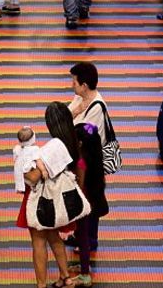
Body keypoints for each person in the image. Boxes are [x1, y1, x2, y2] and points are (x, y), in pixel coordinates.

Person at [22, 102, 79, 288]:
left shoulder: (54, 146)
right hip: (58, 198)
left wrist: (22, 169)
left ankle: (41, 284)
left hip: (42, 199)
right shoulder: (72, 141)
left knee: (38, 241)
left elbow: (33, 177)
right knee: (54, 236)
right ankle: (65, 277)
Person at [72, 121, 107, 286]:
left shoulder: (81, 162)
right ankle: (86, 264)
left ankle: (84, 274)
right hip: (94, 200)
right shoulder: (96, 158)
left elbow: (79, 185)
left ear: (80, 143)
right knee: (89, 236)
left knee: (82, 238)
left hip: (83, 205)